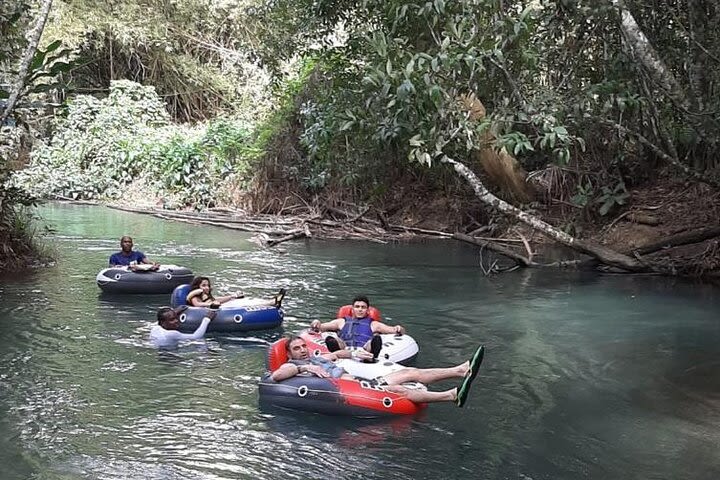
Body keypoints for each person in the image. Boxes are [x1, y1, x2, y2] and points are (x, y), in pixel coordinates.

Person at [271, 335, 485, 407]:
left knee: (411, 371)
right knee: (399, 390)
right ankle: (451, 396)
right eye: (296, 349)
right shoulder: (293, 365)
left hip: (362, 381)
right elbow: (276, 376)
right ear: (290, 354)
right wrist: (307, 366)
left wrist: (355, 354)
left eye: (303, 346)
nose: (301, 350)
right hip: (355, 389)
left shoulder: (318, 357)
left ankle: (460, 370)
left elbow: (337, 355)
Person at [309, 295, 405, 358]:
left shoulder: (374, 324)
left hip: (364, 350)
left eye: (363, 307)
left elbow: (393, 330)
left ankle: (372, 357)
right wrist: (316, 323)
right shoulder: (341, 321)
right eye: (357, 307)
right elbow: (321, 327)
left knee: (375, 339)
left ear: (367, 310)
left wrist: (399, 329)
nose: (360, 310)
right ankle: (336, 355)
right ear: (352, 309)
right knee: (332, 338)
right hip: (344, 350)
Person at [186, 276, 286, 309]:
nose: (206, 288)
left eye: (207, 285)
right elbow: (197, 304)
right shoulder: (195, 295)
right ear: (197, 286)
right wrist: (210, 304)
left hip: (218, 306)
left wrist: (232, 296)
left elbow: (216, 299)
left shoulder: (206, 295)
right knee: (243, 304)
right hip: (214, 309)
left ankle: (271, 301)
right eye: (203, 285)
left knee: (245, 300)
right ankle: (272, 302)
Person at [149, 305, 216, 348]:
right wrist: (206, 319)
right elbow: (196, 336)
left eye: (176, 317)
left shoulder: (155, 328)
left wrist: (175, 312)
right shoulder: (172, 334)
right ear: (163, 323)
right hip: (170, 355)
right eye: (172, 319)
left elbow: (159, 322)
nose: (176, 321)